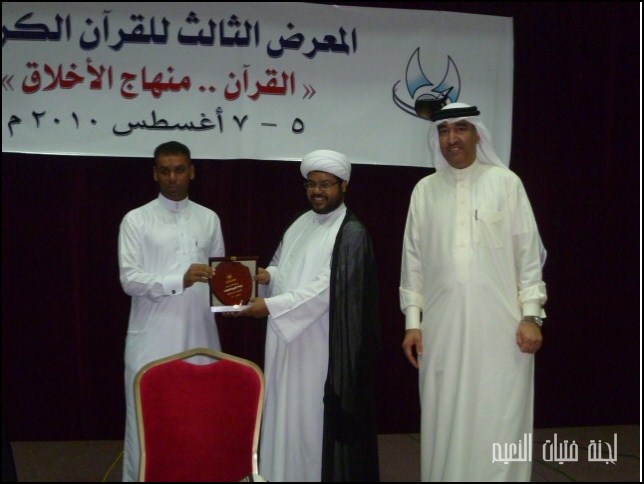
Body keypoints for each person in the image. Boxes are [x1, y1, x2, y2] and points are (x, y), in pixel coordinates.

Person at [400, 102, 547, 481]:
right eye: (444, 130)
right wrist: (413, 323)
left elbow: (529, 256)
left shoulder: (506, 183)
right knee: (443, 415)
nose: (452, 138)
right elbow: (413, 263)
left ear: (477, 134)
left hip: (502, 331)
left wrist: (531, 315)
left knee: (499, 418)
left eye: (461, 128)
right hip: (441, 331)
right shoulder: (424, 191)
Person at [235, 150, 381, 482]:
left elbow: (326, 290)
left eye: (326, 184)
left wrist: (270, 306)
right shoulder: (301, 223)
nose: (317, 191)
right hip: (285, 339)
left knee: (307, 423)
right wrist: (266, 277)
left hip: (319, 346)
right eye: (312, 184)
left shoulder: (351, 232)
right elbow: (282, 266)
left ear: (343, 185)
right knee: (282, 414)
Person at [117, 141, 225, 482]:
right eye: (165, 171)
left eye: (179, 170)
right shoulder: (136, 220)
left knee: (199, 420)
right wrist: (179, 279)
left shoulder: (209, 218)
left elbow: (220, 275)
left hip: (201, 336)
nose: (173, 177)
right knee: (148, 423)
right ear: (155, 174)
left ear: (191, 172)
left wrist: (236, 299)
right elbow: (130, 279)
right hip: (153, 339)